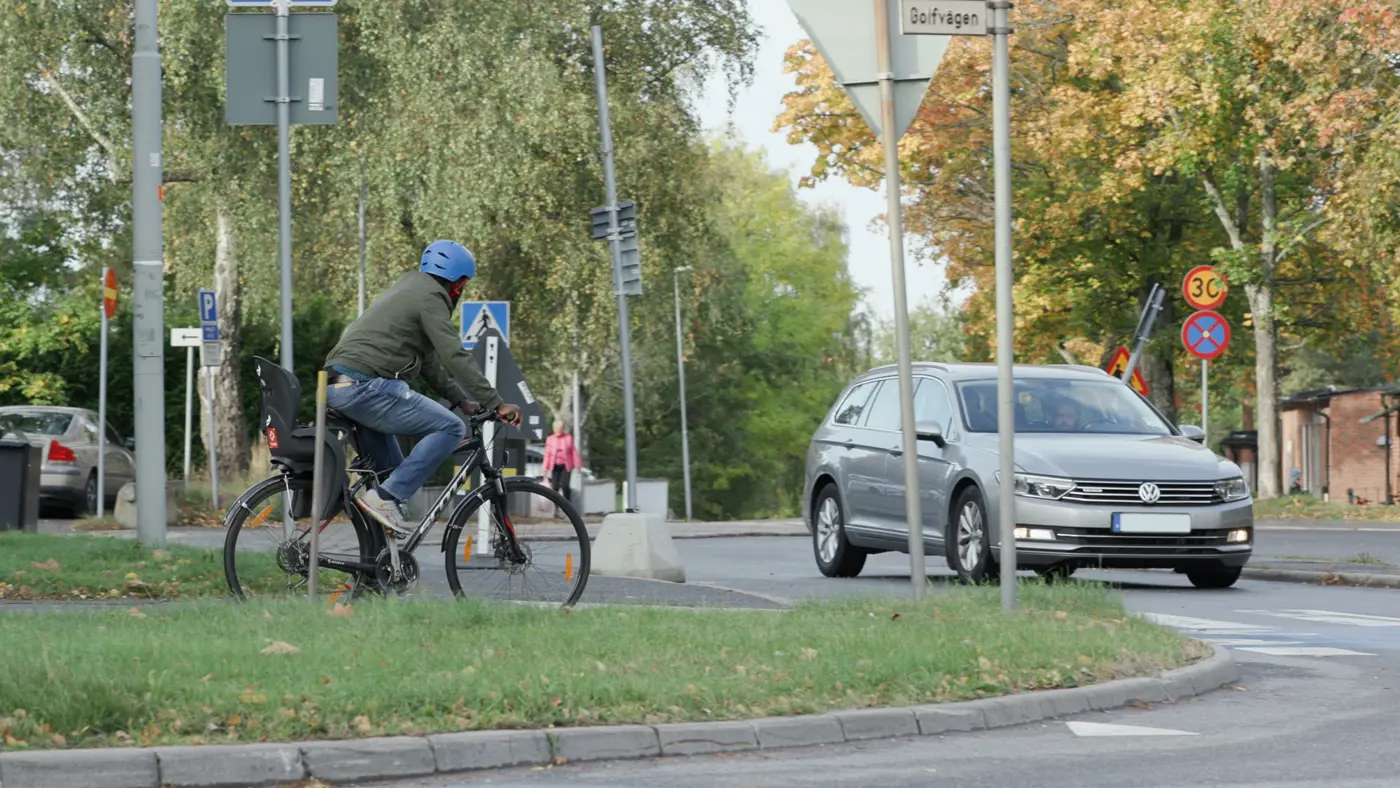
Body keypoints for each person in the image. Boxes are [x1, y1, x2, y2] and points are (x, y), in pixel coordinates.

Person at [323, 240, 522, 537]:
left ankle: (377, 559)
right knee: (451, 428)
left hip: (335, 387)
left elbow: (429, 362)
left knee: (391, 473)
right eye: (464, 284)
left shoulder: (409, 287)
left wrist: (461, 400)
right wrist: (496, 402)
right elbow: (453, 355)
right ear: (459, 282)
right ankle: (384, 498)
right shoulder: (431, 296)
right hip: (363, 386)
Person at [542, 421, 582, 504]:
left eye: (560, 429)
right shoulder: (550, 439)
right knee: (555, 487)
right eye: (557, 429)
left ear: (563, 429)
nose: (558, 430)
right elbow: (547, 454)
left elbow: (573, 451)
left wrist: (578, 464)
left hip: (566, 465)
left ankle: (568, 505)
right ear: (554, 429)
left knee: (565, 486)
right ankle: (555, 505)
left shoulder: (568, 438)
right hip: (555, 466)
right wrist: (545, 468)